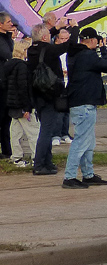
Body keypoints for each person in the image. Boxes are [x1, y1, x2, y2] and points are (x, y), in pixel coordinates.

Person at [62, 26, 107, 189]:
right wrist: (103, 49)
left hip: (82, 103)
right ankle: (69, 177)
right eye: (96, 41)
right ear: (91, 40)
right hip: (84, 105)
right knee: (81, 142)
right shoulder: (86, 55)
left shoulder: (76, 54)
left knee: (88, 142)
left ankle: (88, 174)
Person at [27, 22, 75, 175]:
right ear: (46, 37)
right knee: (47, 131)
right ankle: (39, 164)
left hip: (38, 95)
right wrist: (74, 28)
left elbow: (43, 37)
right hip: (50, 95)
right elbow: (68, 45)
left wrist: (54, 28)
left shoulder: (32, 50)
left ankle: (47, 162)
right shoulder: (49, 50)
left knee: (45, 128)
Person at [5, 38, 39, 168]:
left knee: (15, 133)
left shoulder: (8, 66)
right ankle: (37, 158)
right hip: (22, 105)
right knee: (33, 132)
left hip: (13, 105)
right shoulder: (22, 67)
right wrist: (27, 108)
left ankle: (17, 158)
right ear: (23, 51)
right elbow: (23, 88)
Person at [52, 27, 74, 146]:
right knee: (59, 110)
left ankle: (65, 133)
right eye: (62, 38)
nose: (64, 41)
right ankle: (56, 134)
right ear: (57, 39)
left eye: (67, 39)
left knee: (66, 111)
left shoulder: (71, 51)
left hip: (68, 82)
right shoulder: (54, 51)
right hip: (58, 82)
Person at [0, 11, 15, 158]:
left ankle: (6, 150)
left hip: (5, 82)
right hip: (1, 83)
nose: (12, 24)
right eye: (9, 22)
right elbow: (7, 54)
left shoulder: (6, 38)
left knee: (6, 119)